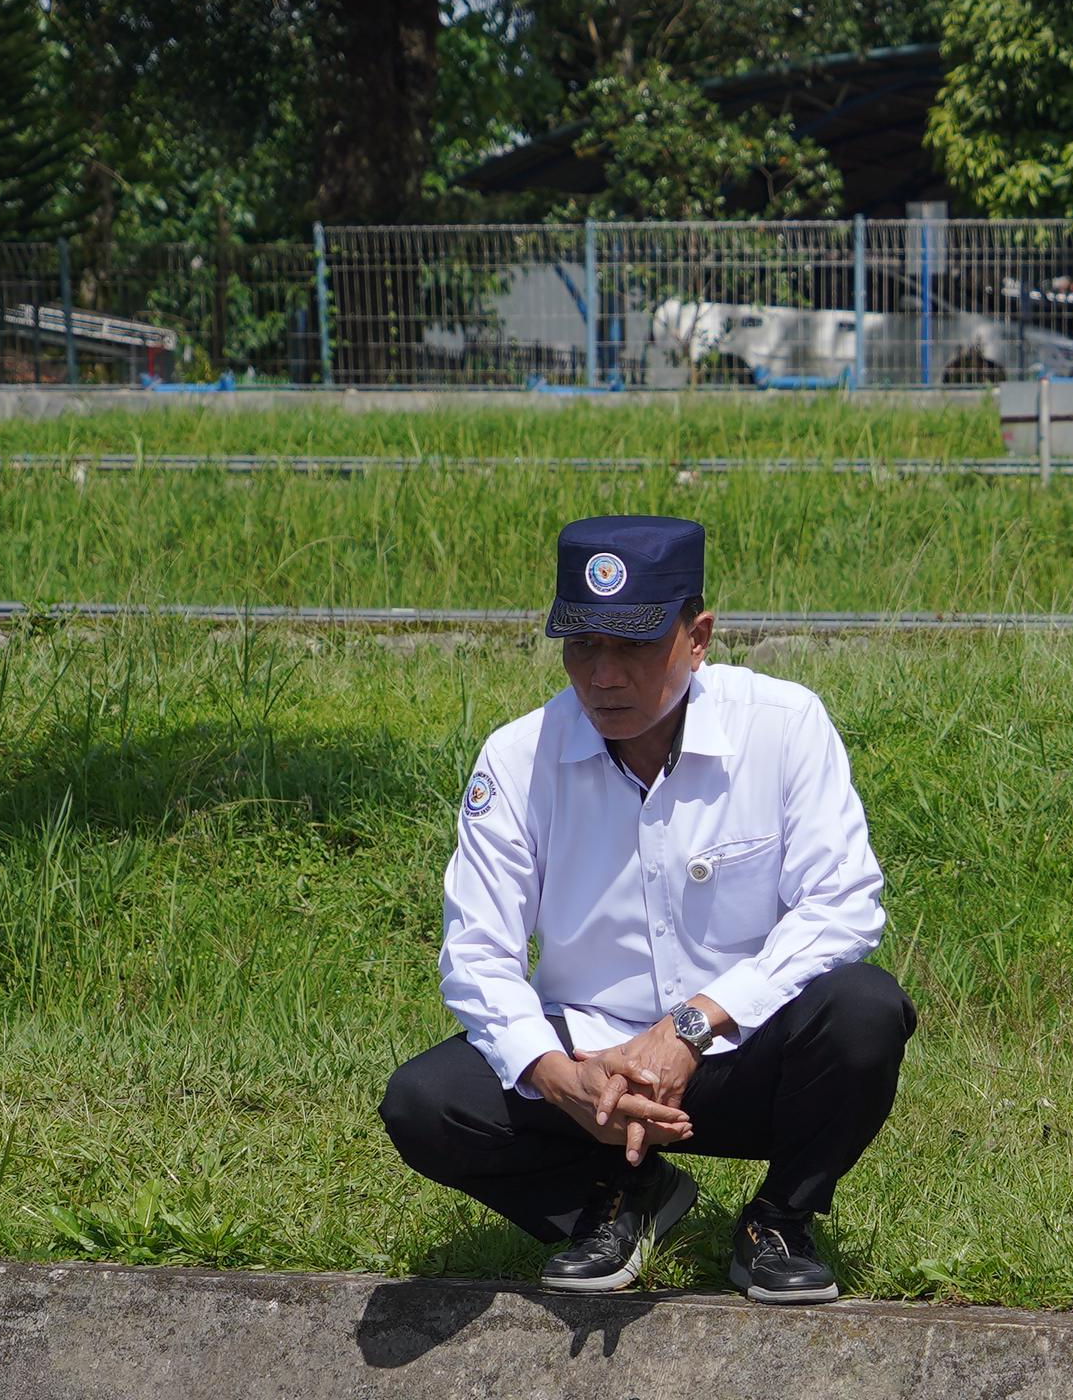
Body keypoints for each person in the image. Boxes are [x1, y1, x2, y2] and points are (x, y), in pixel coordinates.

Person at [379, 515, 913, 1303]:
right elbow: (477, 955)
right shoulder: (519, 757)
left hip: (741, 1053)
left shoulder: (785, 725)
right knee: (425, 1105)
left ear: (698, 638)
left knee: (866, 1009)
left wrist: (692, 1025)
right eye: (582, 646)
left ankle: (780, 1220)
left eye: (633, 646)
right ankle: (620, 1196)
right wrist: (562, 1080)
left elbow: (844, 906)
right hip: (591, 1054)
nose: (603, 677)